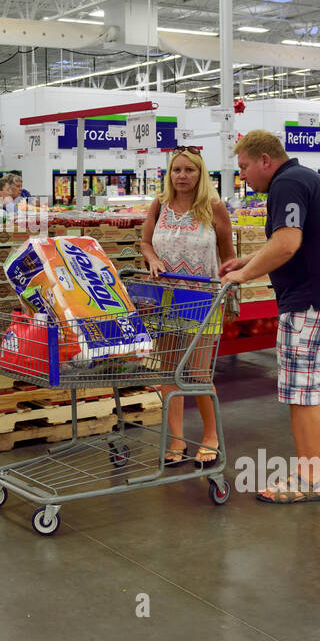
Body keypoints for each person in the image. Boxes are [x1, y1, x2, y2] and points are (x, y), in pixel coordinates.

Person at [219, 130, 320, 503]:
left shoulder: (286, 184)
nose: (244, 177)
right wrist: (248, 261)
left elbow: (287, 243)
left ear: (265, 160)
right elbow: (292, 241)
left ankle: (308, 480)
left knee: (303, 392)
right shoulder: (306, 179)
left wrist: (242, 274)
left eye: (245, 168)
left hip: (310, 304)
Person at [138, 147, 233, 467]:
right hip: (164, 296)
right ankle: (176, 438)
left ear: (200, 173)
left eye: (189, 170)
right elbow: (146, 241)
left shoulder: (214, 208)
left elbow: (228, 254)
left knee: (197, 372)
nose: (181, 176)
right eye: (176, 170)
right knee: (167, 370)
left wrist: (230, 288)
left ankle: (211, 435)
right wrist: (151, 258)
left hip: (202, 297)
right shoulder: (160, 204)